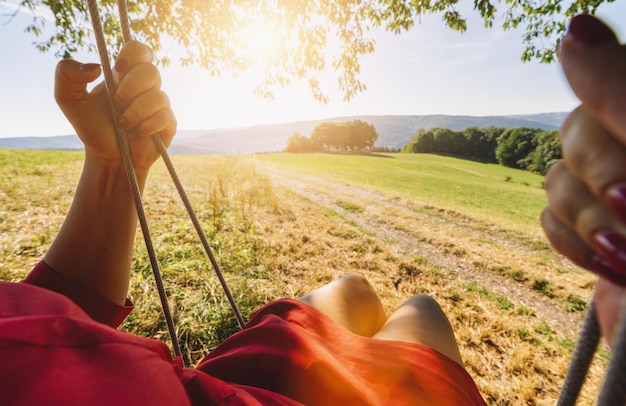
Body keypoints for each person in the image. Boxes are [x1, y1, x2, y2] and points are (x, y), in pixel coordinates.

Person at [0, 12, 623, 406]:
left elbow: (52, 326)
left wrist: (116, 167)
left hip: (216, 382)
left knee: (352, 288)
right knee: (423, 309)